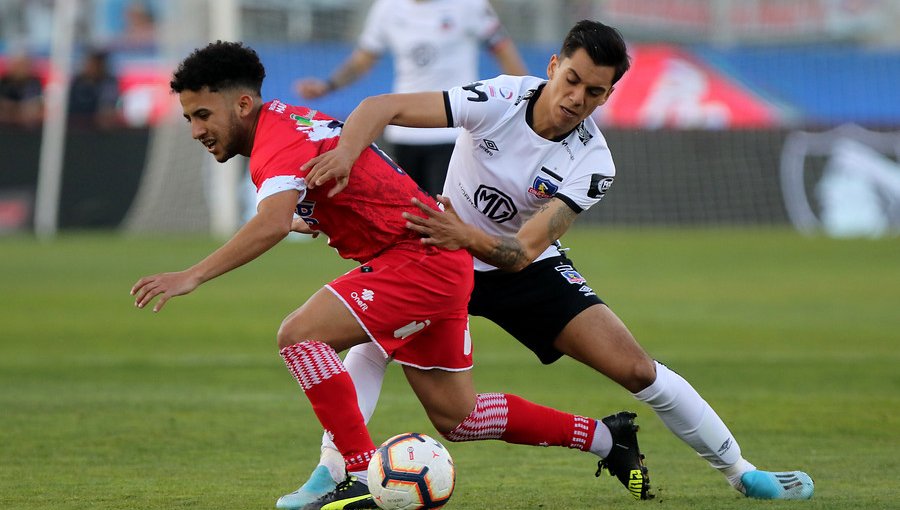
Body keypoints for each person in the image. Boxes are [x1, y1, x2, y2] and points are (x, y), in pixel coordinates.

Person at [291, 19, 816, 506]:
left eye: (594, 92)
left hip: (521, 267)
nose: (576, 98)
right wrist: (344, 157)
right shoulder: (499, 97)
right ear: (551, 67)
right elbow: (379, 106)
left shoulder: (594, 162)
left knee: (635, 368)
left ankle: (740, 471)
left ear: (609, 95)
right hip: (441, 259)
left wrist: (462, 234)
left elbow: (521, 252)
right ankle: (333, 471)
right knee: (387, 354)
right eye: (572, 79)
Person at [130, 41, 651, 510]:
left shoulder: (276, 141)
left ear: (242, 105)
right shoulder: (290, 124)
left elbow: (267, 225)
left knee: (300, 336)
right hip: (433, 263)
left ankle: (355, 474)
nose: (197, 130)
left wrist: (192, 276)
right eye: (189, 119)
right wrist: (310, 214)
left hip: (418, 262)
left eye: (202, 115)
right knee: (460, 418)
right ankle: (607, 438)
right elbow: (352, 184)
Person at [294, 0, 527, 196]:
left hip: (454, 131)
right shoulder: (388, 8)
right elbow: (363, 59)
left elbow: (504, 52)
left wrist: (529, 100)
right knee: (406, 219)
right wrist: (327, 86)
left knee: (446, 217)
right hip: (405, 131)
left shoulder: (469, 5)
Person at [68, 48, 121, 129]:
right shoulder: (78, 82)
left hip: (98, 129)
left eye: (95, 63)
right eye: (89, 62)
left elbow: (108, 107)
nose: (90, 66)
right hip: (75, 127)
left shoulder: (109, 82)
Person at [0, 52, 44, 128]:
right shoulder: (4, 82)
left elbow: (34, 107)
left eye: (23, 65)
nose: (20, 68)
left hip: (29, 129)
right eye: (17, 65)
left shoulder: (34, 82)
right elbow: (3, 105)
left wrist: (18, 111)